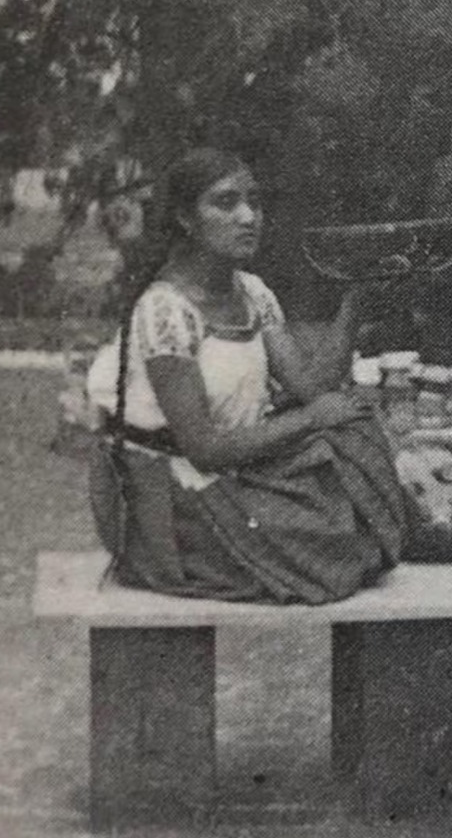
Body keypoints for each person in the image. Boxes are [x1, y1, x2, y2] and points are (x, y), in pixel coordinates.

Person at [86, 147, 409, 604]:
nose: (248, 217)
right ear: (185, 218)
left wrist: (355, 303)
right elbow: (204, 450)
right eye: (226, 203)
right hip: (172, 495)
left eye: (254, 202)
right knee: (336, 539)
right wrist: (311, 419)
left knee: (355, 439)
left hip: (233, 470)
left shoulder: (252, 292)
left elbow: (311, 387)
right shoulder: (165, 309)